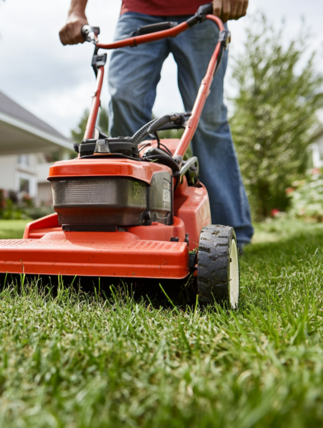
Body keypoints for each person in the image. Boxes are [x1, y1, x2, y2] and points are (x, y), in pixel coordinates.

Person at [59, 0, 253, 248]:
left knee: (207, 119)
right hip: (138, 10)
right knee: (124, 100)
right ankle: (127, 219)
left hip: (205, 8)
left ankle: (231, 232)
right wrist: (76, 10)